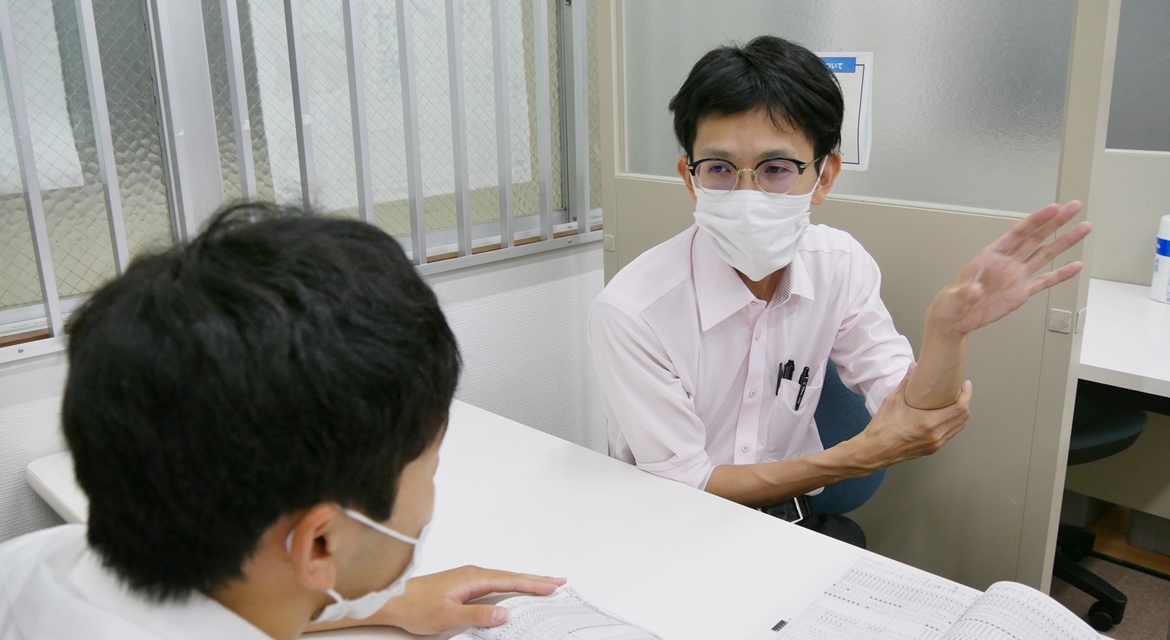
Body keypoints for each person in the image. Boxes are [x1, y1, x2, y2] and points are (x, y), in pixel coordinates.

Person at [588, 36, 1091, 538]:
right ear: (689, 177)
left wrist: (947, 334)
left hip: (789, 528)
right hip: (671, 529)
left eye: (776, 170)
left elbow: (913, 412)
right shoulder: (633, 312)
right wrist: (853, 459)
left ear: (825, 176)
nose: (747, 194)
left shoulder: (839, 265)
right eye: (719, 169)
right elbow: (687, 484)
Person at [0, 202, 563, 639]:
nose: (433, 489)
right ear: (318, 543)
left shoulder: (32, 563)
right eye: (430, 465)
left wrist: (376, 600)